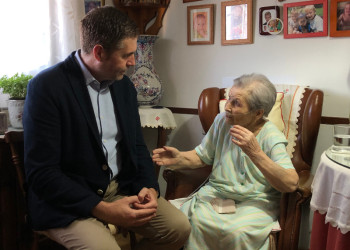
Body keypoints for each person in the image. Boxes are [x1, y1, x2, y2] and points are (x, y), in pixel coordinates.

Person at [23, 6, 190, 250]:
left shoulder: (124, 87)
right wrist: (103, 210)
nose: (133, 62)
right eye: (126, 55)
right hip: (68, 203)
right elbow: (42, 174)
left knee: (178, 228)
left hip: (119, 189)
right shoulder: (46, 87)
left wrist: (150, 189)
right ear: (99, 53)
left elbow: (136, 147)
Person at [153, 73, 299, 249]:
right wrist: (180, 158)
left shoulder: (271, 136)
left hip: (255, 201)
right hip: (217, 194)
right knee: (197, 221)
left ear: (258, 113)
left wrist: (255, 153)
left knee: (238, 231)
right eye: (228, 99)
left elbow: (290, 183)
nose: (227, 107)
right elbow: (202, 155)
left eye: (236, 103)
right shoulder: (222, 121)